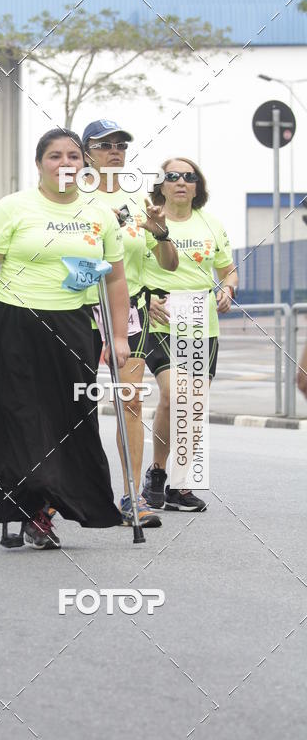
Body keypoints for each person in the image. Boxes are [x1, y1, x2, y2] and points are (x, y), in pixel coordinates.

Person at [0, 128, 130, 550]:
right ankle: (24, 508)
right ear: (38, 164)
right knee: (18, 419)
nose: (65, 163)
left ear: (83, 164)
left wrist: (119, 336)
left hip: (74, 328)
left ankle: (45, 509)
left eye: (73, 156)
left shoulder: (100, 214)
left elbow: (116, 279)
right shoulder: (13, 208)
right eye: (55, 156)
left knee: (73, 422)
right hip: (14, 325)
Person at [81, 118, 179, 528]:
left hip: (129, 309)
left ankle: (131, 495)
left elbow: (168, 264)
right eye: (105, 145)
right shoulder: (73, 197)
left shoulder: (139, 200)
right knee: (73, 403)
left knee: (131, 401)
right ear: (86, 152)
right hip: (76, 308)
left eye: (120, 145)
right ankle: (56, 496)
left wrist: (160, 232)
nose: (115, 151)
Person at [141, 158, 238, 511]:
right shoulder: (147, 221)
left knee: (193, 405)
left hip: (200, 322)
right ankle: (157, 470)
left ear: (198, 186)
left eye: (189, 176)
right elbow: (129, 268)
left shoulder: (211, 224)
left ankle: (179, 485)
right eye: (172, 176)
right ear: (161, 186)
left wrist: (228, 289)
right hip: (160, 318)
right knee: (173, 395)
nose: (181, 181)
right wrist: (145, 298)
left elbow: (228, 271)